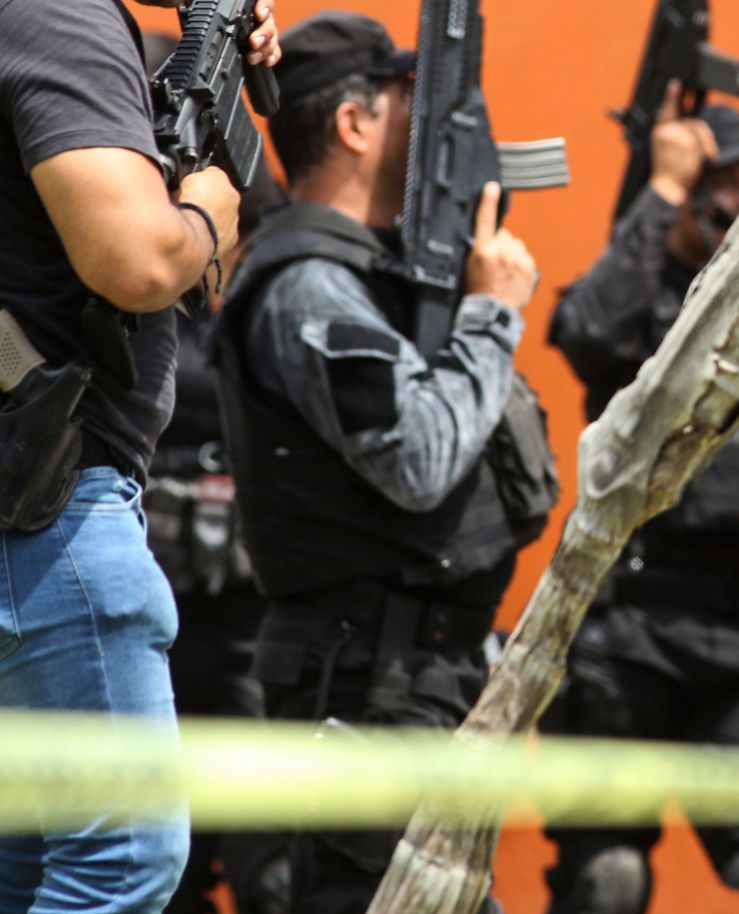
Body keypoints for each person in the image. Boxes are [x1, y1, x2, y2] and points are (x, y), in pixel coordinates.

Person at [212, 12, 552, 913]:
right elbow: (419, 457)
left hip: (415, 674)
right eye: (415, 102)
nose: (446, 129)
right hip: (365, 683)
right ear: (354, 124)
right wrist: (489, 317)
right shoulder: (309, 285)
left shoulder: (369, 275)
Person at [0, 1, 279, 910]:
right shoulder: (58, 14)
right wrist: (197, 214)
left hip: (38, 493)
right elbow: (139, 262)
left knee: (27, 863)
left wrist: (209, 69)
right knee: (123, 857)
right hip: (51, 499)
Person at [542, 86, 739, 914]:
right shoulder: (638, 290)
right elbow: (586, 334)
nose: (736, 200)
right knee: (605, 880)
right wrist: (657, 192)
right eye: (718, 182)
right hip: (630, 628)